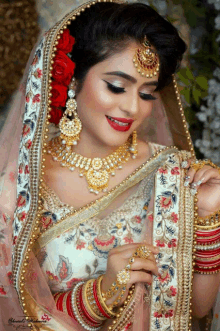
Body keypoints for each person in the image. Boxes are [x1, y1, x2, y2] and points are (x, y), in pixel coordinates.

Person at [0, 1, 220, 330]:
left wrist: (207, 216)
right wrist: (102, 293)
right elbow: (13, 314)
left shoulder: (174, 172)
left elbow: (197, 309)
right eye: (116, 86)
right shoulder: (17, 185)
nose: (132, 107)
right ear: (73, 78)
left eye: (147, 94)